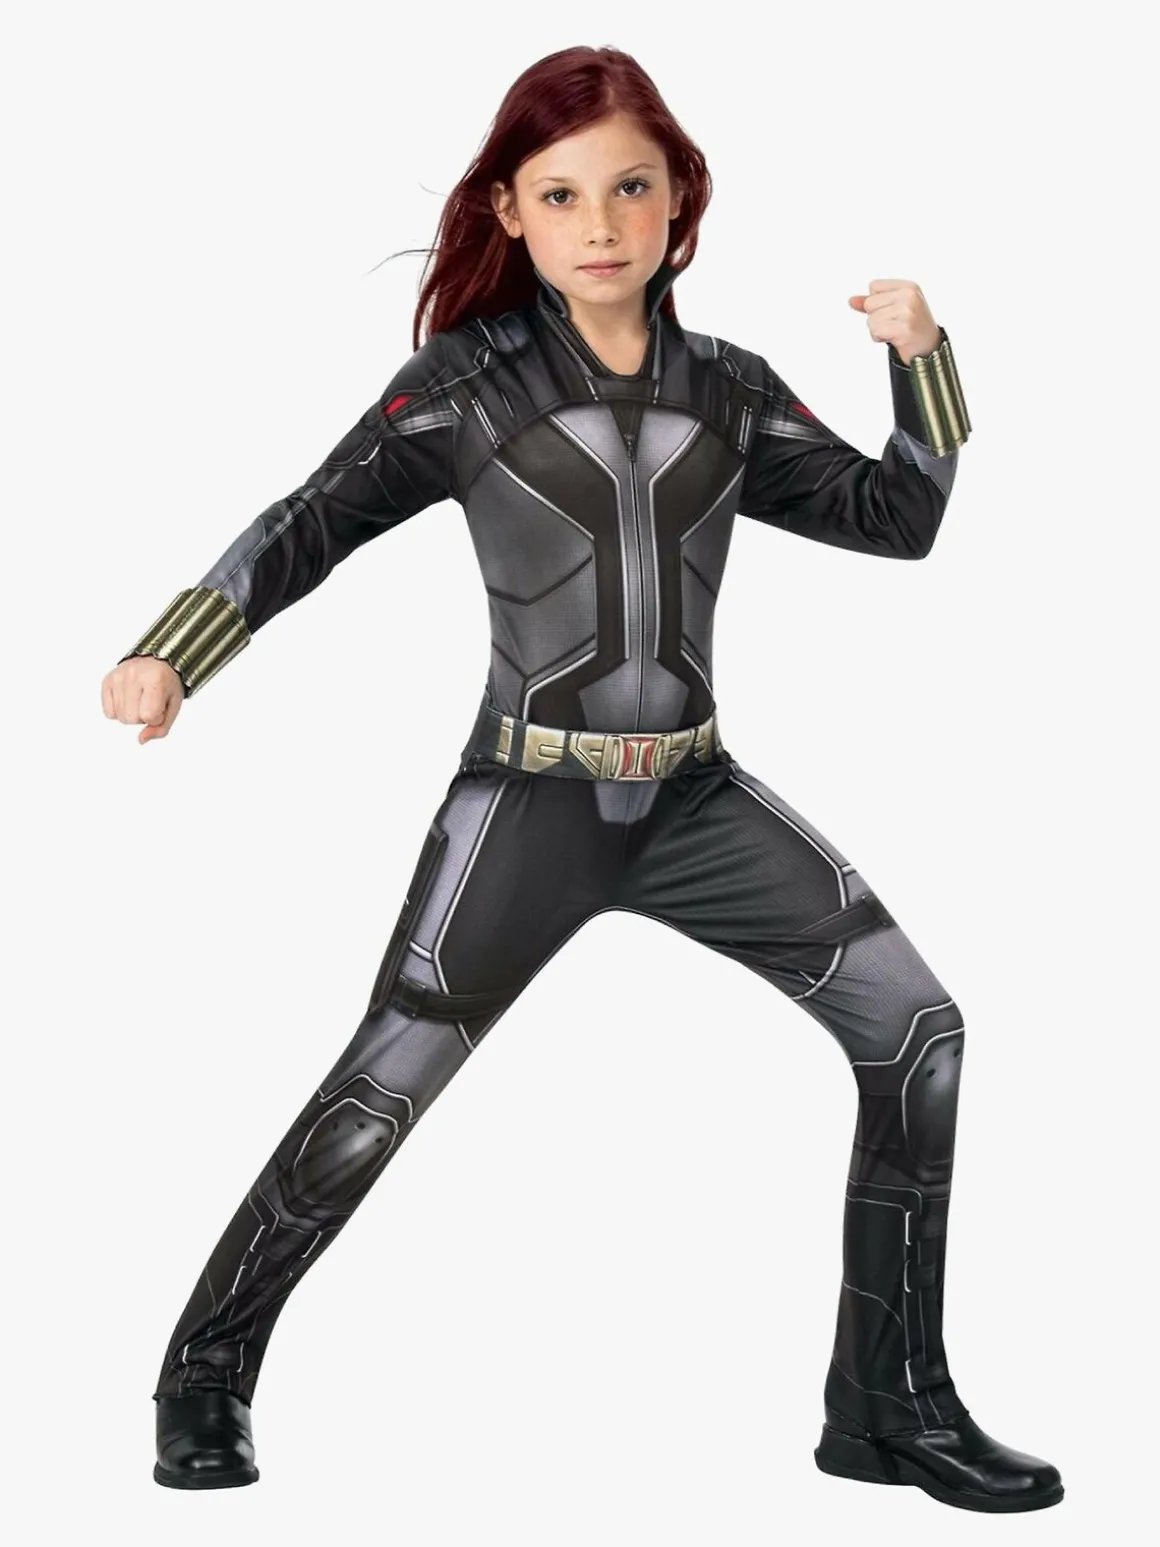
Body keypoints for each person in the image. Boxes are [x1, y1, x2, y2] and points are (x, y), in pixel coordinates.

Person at [102, 45, 1062, 1513]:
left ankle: (889, 1408)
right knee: (379, 1091)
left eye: (630, 186)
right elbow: (310, 521)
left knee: (918, 1030)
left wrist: (923, 361)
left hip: (695, 802)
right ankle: (202, 1377)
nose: (601, 222)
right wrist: (174, 652)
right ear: (512, 210)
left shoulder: (730, 390)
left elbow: (896, 518)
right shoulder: (463, 387)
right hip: (526, 803)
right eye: (560, 194)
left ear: (681, 199)